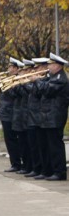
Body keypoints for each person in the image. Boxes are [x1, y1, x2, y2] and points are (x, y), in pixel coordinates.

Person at [33, 53, 69, 181]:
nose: (49, 67)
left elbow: (48, 90)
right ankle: (48, 171)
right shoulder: (52, 77)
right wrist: (39, 80)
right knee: (47, 145)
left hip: (55, 116)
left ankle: (59, 172)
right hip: (48, 116)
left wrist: (36, 80)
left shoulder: (60, 78)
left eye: (51, 64)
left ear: (58, 65)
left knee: (55, 146)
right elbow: (39, 92)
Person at [0, 57, 23, 172]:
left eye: (10, 67)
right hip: (6, 112)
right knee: (9, 140)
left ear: (16, 68)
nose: (8, 69)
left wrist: (1, 82)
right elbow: (4, 95)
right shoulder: (10, 79)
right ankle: (14, 163)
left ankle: (17, 163)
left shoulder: (17, 80)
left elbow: (12, 94)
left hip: (11, 112)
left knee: (13, 140)